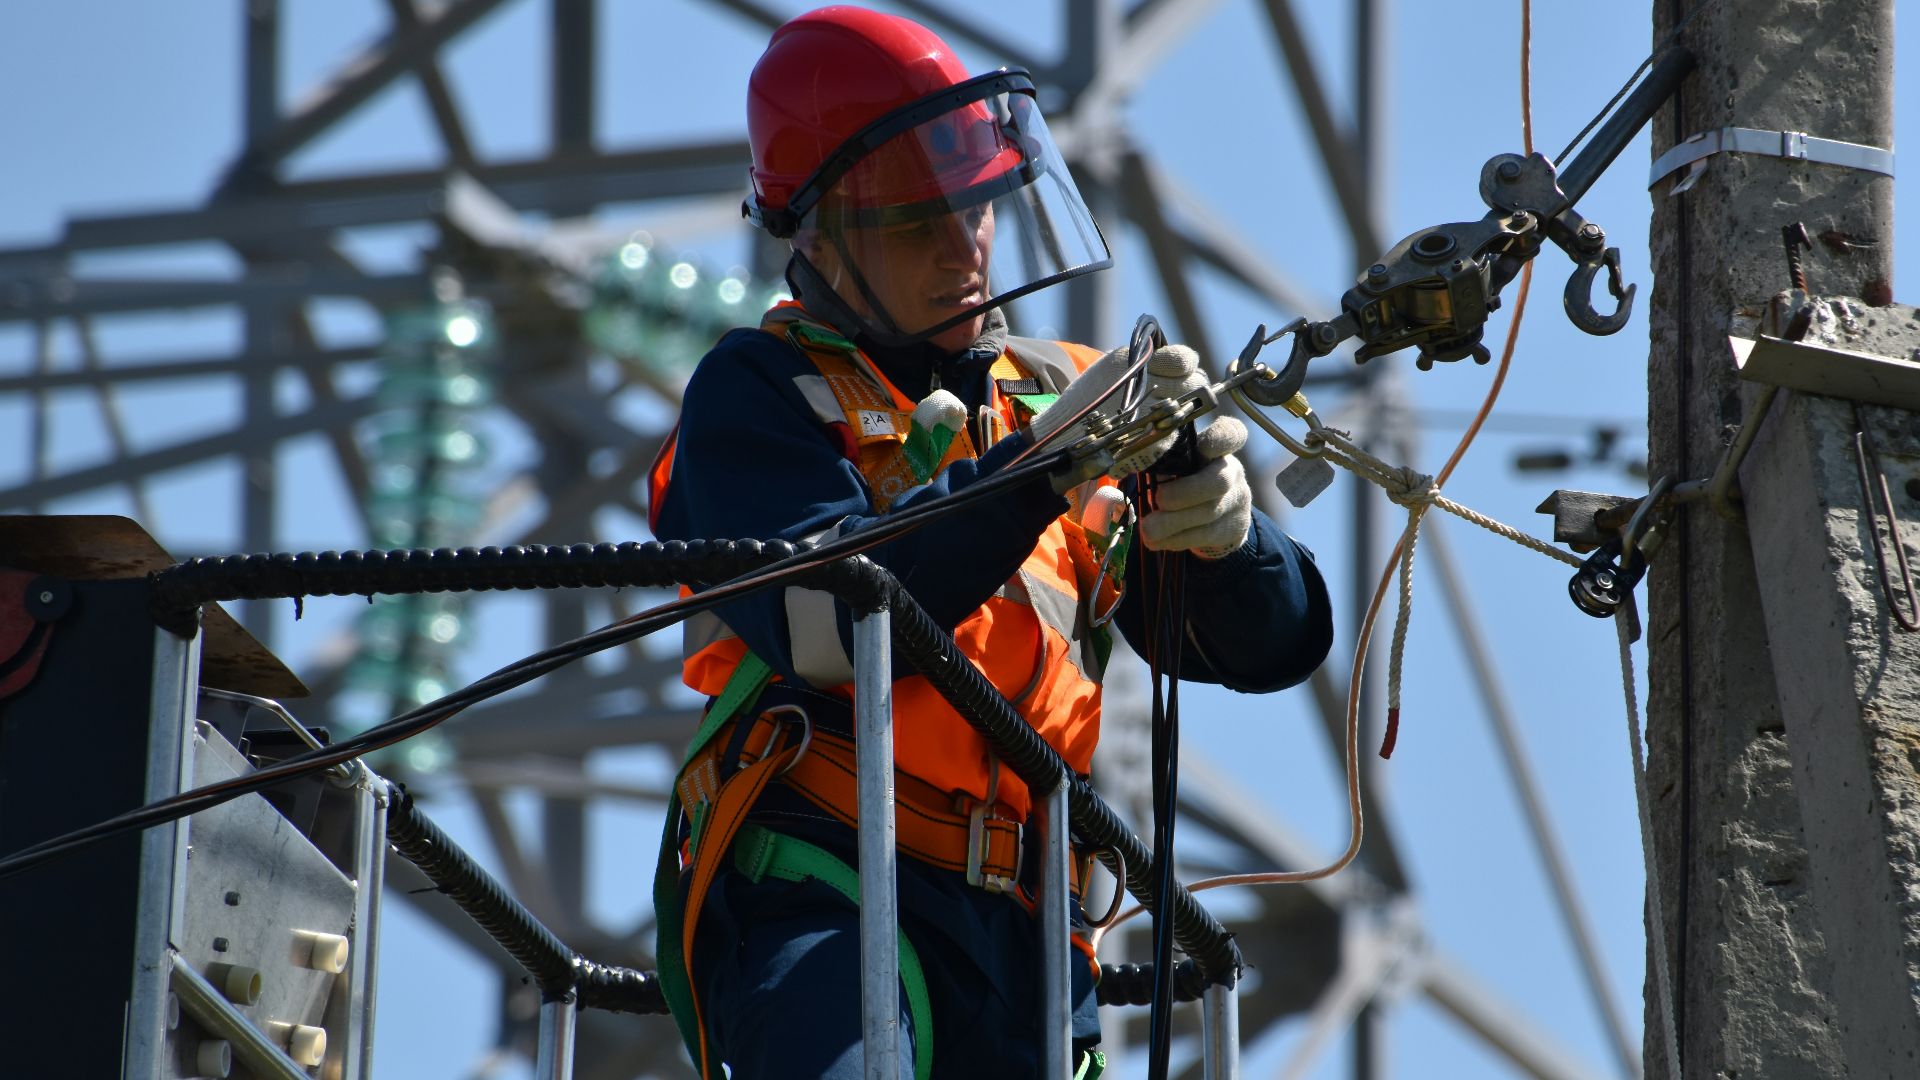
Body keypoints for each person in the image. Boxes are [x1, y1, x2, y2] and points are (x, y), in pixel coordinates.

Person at [647, 7, 1334, 1077]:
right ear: (818, 236)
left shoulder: (1056, 395)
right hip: (832, 876)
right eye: (915, 224)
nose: (961, 250)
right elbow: (827, 623)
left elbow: (1269, 645)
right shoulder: (761, 394)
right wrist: (1035, 476)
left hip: (1030, 937)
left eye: (976, 211)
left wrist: (1227, 535)